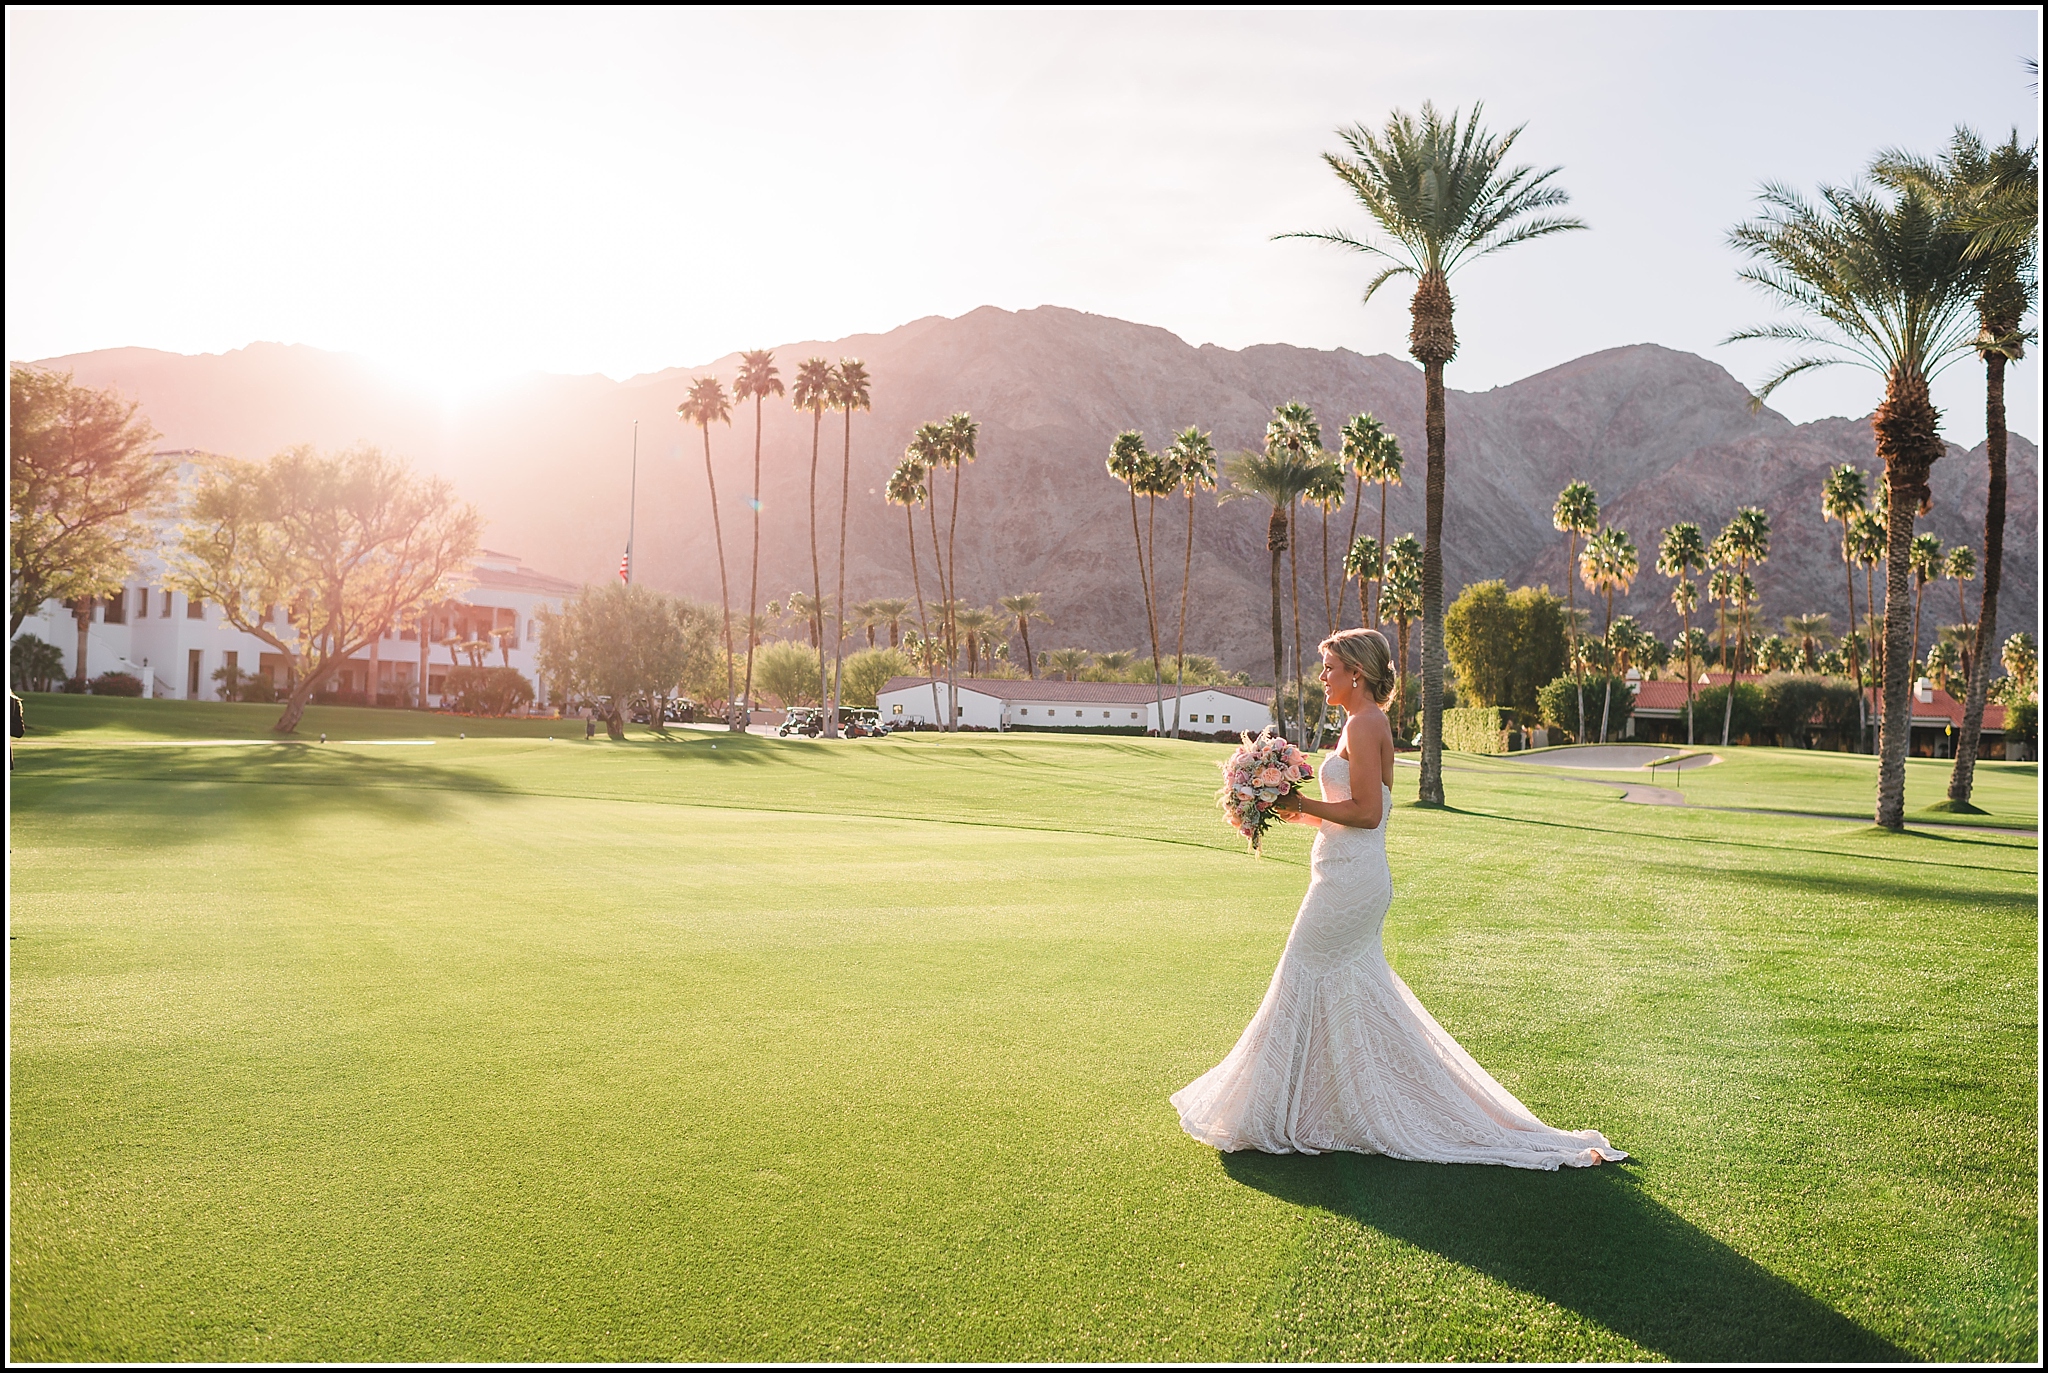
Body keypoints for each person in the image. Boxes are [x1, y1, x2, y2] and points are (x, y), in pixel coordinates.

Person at [1171, 627, 1625, 1170]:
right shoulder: (1356, 723)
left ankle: (1283, 1110)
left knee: (1300, 973)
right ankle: (1323, 1106)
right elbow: (1354, 807)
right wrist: (1291, 806)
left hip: (1351, 882)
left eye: (1330, 668)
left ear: (1355, 673)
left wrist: (1304, 802)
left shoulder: (1366, 723)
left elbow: (1368, 813)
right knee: (1333, 984)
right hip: (1344, 873)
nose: (1323, 678)